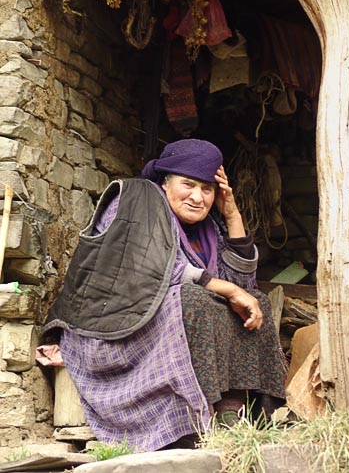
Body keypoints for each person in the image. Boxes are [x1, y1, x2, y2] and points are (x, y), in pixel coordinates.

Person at [42, 138, 286, 452]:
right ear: (165, 182)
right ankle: (198, 417)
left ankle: (233, 415)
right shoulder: (136, 199)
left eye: (207, 189)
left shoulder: (209, 228)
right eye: (188, 185)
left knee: (258, 302)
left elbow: (241, 285)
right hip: (110, 329)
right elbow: (142, 267)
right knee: (193, 299)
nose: (198, 197)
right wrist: (227, 289)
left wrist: (232, 215)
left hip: (160, 322)